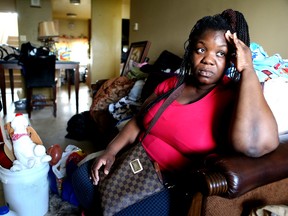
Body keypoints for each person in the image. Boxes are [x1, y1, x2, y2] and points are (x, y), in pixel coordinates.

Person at [72, 9, 279, 215]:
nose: (208, 59)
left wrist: (248, 69)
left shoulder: (234, 95)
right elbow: (138, 121)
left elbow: (257, 145)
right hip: (135, 162)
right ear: (191, 54)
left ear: (230, 59)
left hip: (170, 185)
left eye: (220, 53)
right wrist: (110, 151)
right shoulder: (172, 85)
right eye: (201, 50)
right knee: (81, 177)